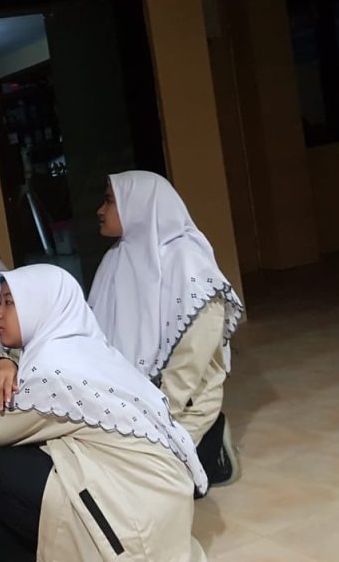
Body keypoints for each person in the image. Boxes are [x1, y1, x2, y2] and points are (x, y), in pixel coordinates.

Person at [0, 264, 207, 561]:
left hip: (136, 518)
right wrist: (7, 361)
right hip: (164, 499)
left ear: (39, 306)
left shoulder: (52, 373)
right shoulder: (83, 348)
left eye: (9, 303)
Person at [89, 171, 244, 486]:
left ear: (139, 204)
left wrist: (151, 420)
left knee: (140, 486)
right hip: (129, 404)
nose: (100, 211)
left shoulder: (189, 263)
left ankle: (211, 444)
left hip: (180, 406)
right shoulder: (114, 261)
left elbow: (189, 365)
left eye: (109, 201)